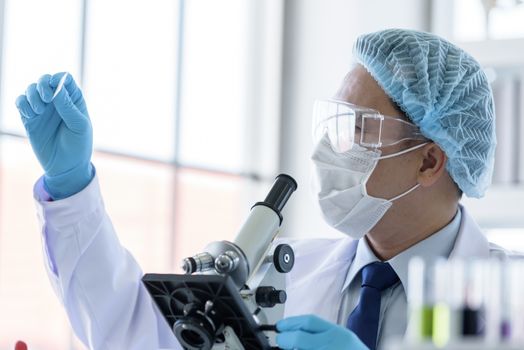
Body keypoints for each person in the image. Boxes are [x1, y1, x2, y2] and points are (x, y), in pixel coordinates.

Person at [15, 28, 512, 350]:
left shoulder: (510, 305)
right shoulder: (285, 274)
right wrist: (72, 189)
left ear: (428, 160)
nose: (327, 150)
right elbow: (139, 335)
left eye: (357, 129)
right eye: (331, 124)